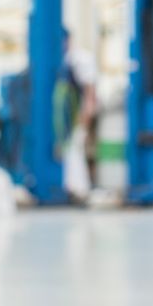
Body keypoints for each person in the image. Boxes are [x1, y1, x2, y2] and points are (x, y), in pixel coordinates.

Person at [55, 28, 99, 201]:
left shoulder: (79, 59)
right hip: (63, 119)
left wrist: (86, 115)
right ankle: (71, 188)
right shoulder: (60, 60)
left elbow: (90, 90)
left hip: (77, 116)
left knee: (75, 150)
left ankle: (80, 190)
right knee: (68, 151)